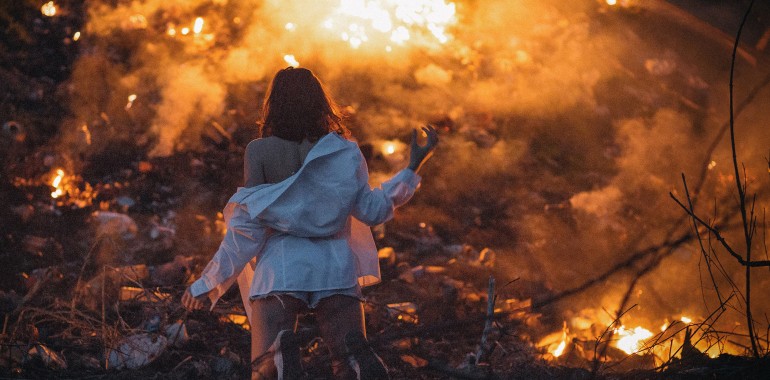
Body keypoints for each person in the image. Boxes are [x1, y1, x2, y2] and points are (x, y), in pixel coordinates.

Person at [181, 67, 438, 379]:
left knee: (264, 368)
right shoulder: (344, 150)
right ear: (320, 103)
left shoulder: (259, 151)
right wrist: (412, 167)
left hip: (281, 270)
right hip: (335, 269)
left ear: (273, 104)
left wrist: (206, 283)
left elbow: (247, 229)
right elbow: (371, 210)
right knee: (345, 361)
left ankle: (276, 360)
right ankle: (355, 365)